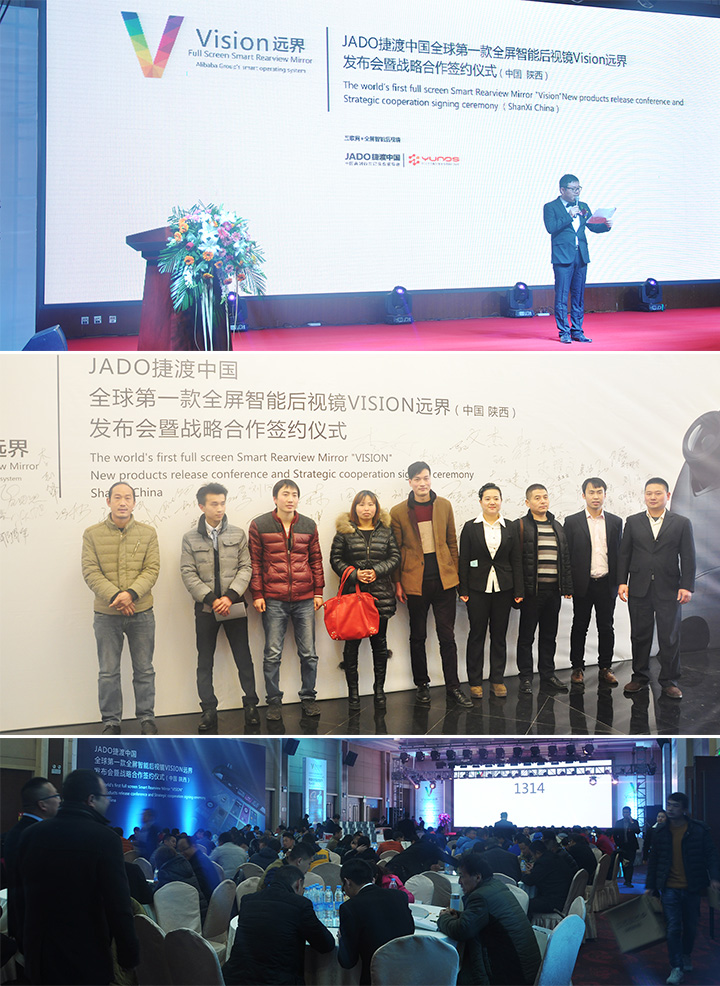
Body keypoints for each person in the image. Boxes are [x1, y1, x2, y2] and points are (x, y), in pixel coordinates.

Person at [15, 769, 139, 985]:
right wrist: (128, 954)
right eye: (105, 796)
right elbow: (118, 905)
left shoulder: (30, 835)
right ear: (91, 800)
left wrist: (25, 945)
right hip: (86, 955)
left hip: (39, 953)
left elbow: (20, 895)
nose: (108, 801)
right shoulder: (105, 839)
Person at [390, 461, 472, 708]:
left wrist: (456, 577)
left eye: (425, 478)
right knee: (418, 636)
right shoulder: (398, 511)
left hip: (444, 582)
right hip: (414, 582)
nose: (422, 483)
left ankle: (453, 687)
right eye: (417, 479)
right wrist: (397, 582)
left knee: (447, 636)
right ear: (410, 482)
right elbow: (396, 550)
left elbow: (452, 542)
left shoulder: (444, 505)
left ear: (430, 479)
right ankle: (422, 685)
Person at [180, 482, 259, 732]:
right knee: (205, 660)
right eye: (214, 504)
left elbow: (246, 567)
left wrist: (230, 596)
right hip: (206, 609)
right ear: (201, 506)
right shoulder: (190, 538)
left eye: (223, 503)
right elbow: (188, 572)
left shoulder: (237, 534)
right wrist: (212, 599)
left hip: (234, 606)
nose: (219, 508)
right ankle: (208, 709)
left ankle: (251, 705)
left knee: (243, 657)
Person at [81, 481, 159, 734]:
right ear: (108, 501)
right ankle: (111, 722)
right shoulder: (92, 534)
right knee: (108, 672)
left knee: (144, 669)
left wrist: (131, 594)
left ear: (134, 503)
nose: (123, 502)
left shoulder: (148, 533)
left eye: (127, 498)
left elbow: (152, 569)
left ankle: (146, 718)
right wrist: (117, 596)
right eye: (117, 497)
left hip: (142, 612)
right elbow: (91, 572)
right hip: (107, 614)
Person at [248, 479, 325, 720]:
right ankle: (273, 701)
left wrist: (318, 591)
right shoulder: (260, 525)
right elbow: (254, 562)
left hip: (305, 598)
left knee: (309, 653)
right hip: (273, 599)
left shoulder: (309, 525)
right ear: (275, 498)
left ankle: (308, 697)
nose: (290, 499)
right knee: (272, 654)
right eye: (285, 494)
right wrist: (257, 594)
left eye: (294, 494)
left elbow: (316, 560)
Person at [618, 478, 696, 699]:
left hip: (669, 588)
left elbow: (688, 557)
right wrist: (622, 581)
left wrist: (687, 586)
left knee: (669, 637)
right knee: (639, 635)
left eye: (658, 493)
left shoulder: (681, 523)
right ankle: (639, 677)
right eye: (649, 493)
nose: (653, 497)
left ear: (667, 496)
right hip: (639, 587)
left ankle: (669, 681)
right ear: (644, 495)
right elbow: (624, 554)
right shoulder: (633, 522)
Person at [330, 490, 401, 708]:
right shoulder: (344, 532)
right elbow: (335, 559)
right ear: (355, 508)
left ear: (376, 507)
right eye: (362, 504)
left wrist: (376, 571)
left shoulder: (386, 531)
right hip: (354, 597)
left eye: (370, 504)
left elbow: (395, 557)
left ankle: (379, 691)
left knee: (380, 646)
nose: (366, 508)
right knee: (351, 648)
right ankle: (353, 694)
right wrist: (355, 574)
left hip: (380, 597)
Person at [645, 791, 720, 985]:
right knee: (673, 927)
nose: (670, 809)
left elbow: (711, 855)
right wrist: (650, 885)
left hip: (692, 886)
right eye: (669, 805)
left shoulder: (698, 830)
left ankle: (686, 954)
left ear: (684, 809)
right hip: (669, 887)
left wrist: (715, 878)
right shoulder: (660, 832)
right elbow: (654, 860)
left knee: (690, 926)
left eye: (675, 805)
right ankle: (676, 967)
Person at [458, 483, 523, 699]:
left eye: (496, 498)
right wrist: (463, 588)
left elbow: (516, 560)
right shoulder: (470, 527)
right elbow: (464, 560)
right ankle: (475, 682)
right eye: (487, 498)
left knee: (499, 635)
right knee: (476, 635)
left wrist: (519, 590)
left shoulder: (511, 527)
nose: (492, 502)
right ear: (480, 502)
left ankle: (497, 680)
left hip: (504, 588)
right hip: (477, 589)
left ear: (501, 501)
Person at [222, 863, 334, 985]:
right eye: (303, 888)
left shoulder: (248, 900)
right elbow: (326, 944)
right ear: (298, 883)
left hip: (236, 978)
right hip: (277, 981)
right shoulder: (300, 905)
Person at [438, 853, 541, 986]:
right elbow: (483, 918)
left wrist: (444, 918)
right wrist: (459, 915)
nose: (459, 881)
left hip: (511, 975)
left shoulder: (480, 897)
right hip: (526, 969)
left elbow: (461, 930)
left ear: (478, 877)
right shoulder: (496, 886)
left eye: (462, 876)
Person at [564, 478, 623, 686]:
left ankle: (605, 668)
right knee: (579, 626)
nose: (595, 496)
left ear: (605, 495)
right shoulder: (572, 522)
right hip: (583, 584)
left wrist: (620, 582)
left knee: (606, 627)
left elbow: (619, 554)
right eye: (591, 492)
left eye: (599, 492)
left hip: (607, 583)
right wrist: (567, 584)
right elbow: (567, 555)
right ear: (584, 495)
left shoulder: (615, 522)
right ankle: (577, 668)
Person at [515, 484, 573, 693]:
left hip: (553, 591)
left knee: (549, 635)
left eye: (545, 497)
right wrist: (519, 591)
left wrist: (567, 586)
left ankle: (548, 674)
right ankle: (525, 677)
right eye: (537, 498)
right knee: (526, 637)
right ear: (527, 502)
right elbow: (515, 561)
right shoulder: (520, 525)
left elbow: (565, 558)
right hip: (532, 592)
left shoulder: (557, 526)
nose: (542, 501)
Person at [543, 173, 612, 344]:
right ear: (562, 190)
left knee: (578, 295)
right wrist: (569, 215)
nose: (577, 192)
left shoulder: (583, 206)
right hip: (562, 257)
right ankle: (564, 332)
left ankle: (577, 331)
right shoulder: (551, 207)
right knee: (561, 296)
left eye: (578, 188)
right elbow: (551, 227)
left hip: (580, 256)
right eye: (573, 189)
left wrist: (605, 226)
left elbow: (591, 226)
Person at [2, 776, 61, 946]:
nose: (60, 800)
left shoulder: (17, 831)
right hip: (37, 924)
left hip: (22, 918)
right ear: (42, 805)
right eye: (56, 796)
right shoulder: (39, 834)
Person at [338, 857, 415, 986]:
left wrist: (342, 938)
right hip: (407, 972)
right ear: (372, 878)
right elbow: (410, 930)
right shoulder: (399, 896)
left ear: (347, 882)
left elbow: (347, 961)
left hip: (374, 977)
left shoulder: (350, 907)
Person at [522, 840, 573, 916]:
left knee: (524, 903)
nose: (534, 858)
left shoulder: (542, 862)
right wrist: (534, 870)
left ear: (537, 853)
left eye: (533, 855)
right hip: (564, 897)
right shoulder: (554, 856)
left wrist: (524, 873)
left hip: (554, 901)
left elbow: (529, 881)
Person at [176, 833, 221, 903]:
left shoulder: (198, 863)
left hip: (207, 902)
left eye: (184, 849)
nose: (182, 853)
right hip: (213, 899)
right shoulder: (200, 858)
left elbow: (197, 887)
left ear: (193, 846)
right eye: (179, 851)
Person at [614, 806, 641, 887]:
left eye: (627, 812)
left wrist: (631, 822)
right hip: (622, 846)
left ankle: (629, 881)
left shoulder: (634, 822)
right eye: (624, 812)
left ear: (630, 813)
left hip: (632, 846)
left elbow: (637, 831)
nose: (625, 814)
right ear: (622, 813)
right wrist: (618, 844)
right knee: (624, 863)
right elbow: (615, 834)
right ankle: (626, 879)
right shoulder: (618, 823)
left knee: (630, 864)